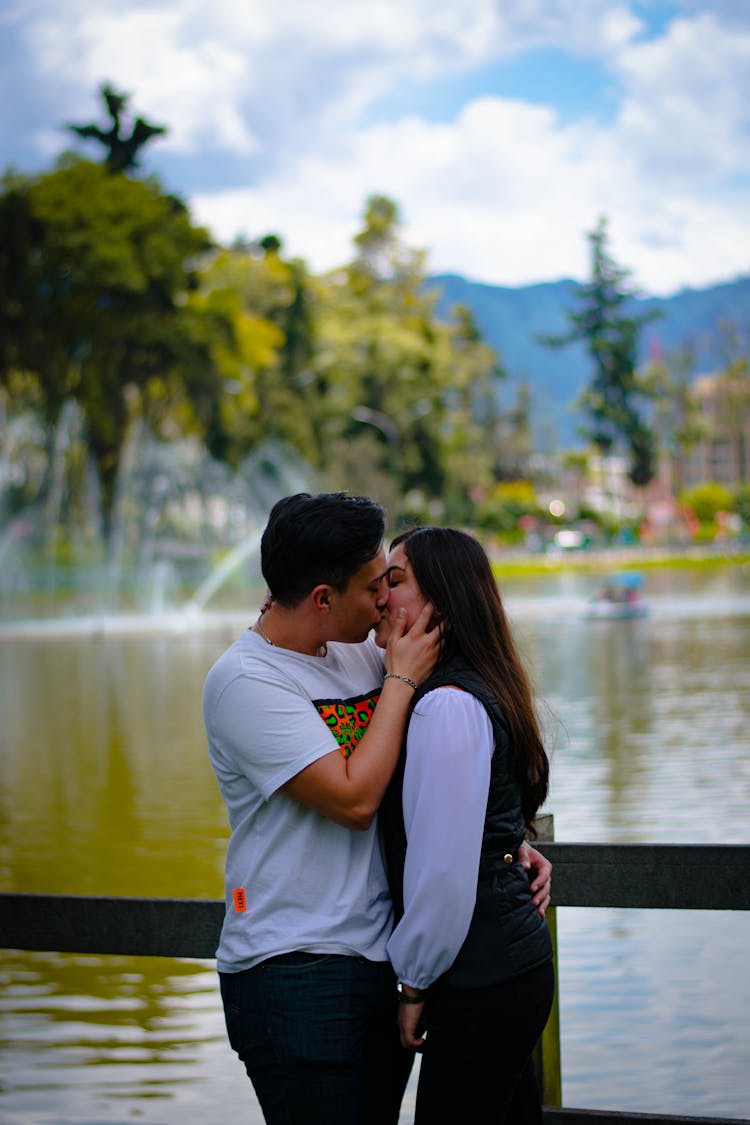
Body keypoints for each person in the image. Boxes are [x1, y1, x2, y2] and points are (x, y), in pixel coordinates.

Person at [203, 492, 552, 1125]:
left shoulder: (355, 651)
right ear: (322, 599)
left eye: (391, 583)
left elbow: (437, 783)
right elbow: (357, 799)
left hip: (380, 960)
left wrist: (501, 843)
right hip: (296, 969)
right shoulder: (247, 683)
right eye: (373, 587)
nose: (384, 601)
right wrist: (401, 680)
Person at [376, 526, 555, 1125]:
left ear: (441, 600)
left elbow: (444, 872)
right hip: (501, 966)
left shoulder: (445, 705)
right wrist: (513, 846)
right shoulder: (461, 689)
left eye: (395, 581)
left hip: (483, 976)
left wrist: (414, 985)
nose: (380, 595)